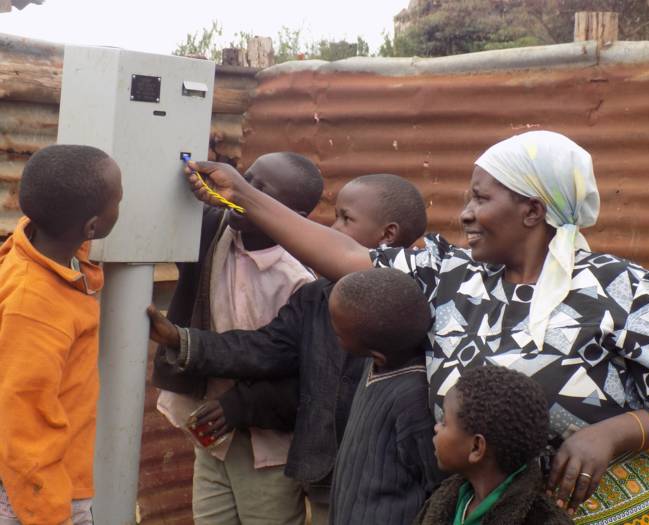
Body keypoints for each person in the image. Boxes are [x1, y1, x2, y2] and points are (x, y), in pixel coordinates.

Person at [179, 130, 649, 524]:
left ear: (532, 210)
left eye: (481, 198)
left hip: (619, 510)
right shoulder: (450, 277)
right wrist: (243, 193)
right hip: (490, 512)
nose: (465, 214)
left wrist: (618, 433)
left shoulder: (624, 292)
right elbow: (345, 254)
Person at [148, 173, 428, 524]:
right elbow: (267, 347)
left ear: (387, 235)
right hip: (326, 470)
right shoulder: (317, 295)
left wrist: (241, 404)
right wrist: (181, 340)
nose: (331, 227)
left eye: (346, 219)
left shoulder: (414, 305)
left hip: (389, 481)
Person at [152, 152, 323, 525]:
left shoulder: (297, 279)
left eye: (260, 190)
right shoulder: (215, 234)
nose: (243, 191)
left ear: (294, 216)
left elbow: (301, 373)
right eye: (246, 178)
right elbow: (172, 202)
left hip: (268, 448)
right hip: (214, 441)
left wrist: (239, 405)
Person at [0, 144, 123, 525]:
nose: (121, 205)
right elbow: (23, 419)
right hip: (37, 495)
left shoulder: (43, 248)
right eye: (118, 199)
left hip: (52, 480)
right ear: (92, 226)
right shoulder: (35, 305)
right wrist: (51, 514)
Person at [328, 268, 442, 524]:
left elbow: (436, 483)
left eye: (338, 333)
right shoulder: (377, 364)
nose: (334, 335)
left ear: (377, 354)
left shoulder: (413, 398)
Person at [415, 366, 572, 525]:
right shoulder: (447, 499)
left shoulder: (543, 519)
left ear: (476, 447)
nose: (436, 428)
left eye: (444, 423)